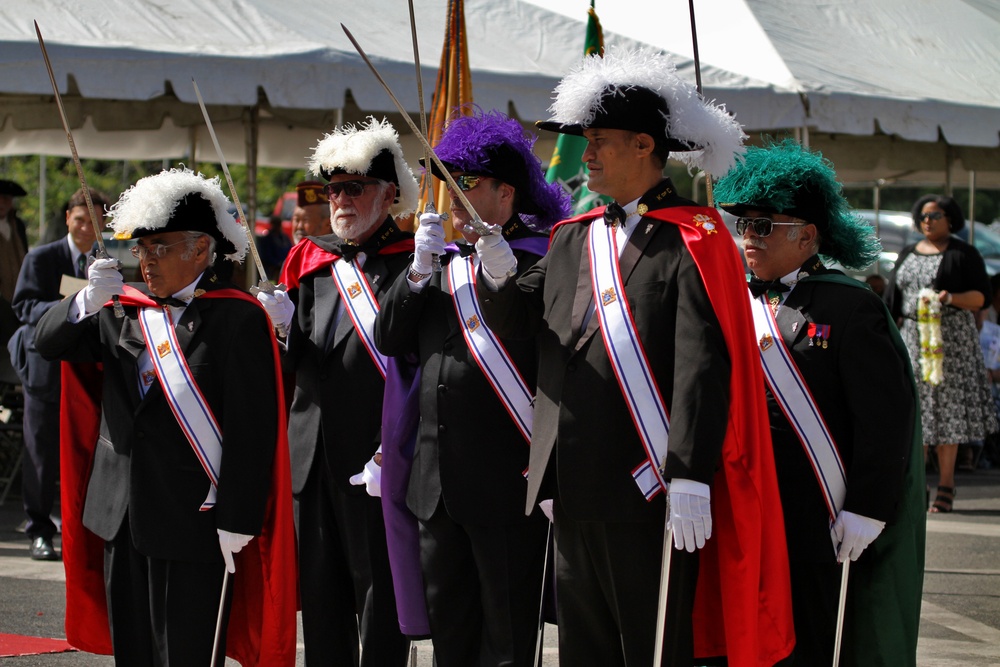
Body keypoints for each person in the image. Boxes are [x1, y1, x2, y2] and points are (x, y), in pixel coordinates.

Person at [474, 46, 794, 666]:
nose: (585, 154)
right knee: (585, 651)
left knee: (652, 649)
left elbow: (703, 365)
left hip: (648, 483)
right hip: (570, 484)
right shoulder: (575, 237)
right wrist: (496, 270)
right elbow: (520, 325)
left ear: (645, 145)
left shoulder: (694, 238)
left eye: (600, 141)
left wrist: (690, 472)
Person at [714, 140, 925, 666]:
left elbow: (884, 419)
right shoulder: (732, 297)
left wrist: (868, 508)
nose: (748, 238)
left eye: (764, 226)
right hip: (744, 506)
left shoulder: (852, 306)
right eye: (743, 225)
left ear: (807, 235)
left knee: (813, 640)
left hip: (818, 513)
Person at [373, 109, 568, 666]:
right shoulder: (441, 263)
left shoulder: (542, 255)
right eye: (448, 184)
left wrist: (495, 265)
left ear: (506, 192)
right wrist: (416, 270)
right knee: (451, 641)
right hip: (436, 487)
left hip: (508, 484)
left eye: (468, 184)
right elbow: (390, 337)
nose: (453, 197)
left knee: (506, 642)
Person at [259, 117, 416, 666]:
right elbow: (293, 363)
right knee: (321, 601)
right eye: (333, 190)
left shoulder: (416, 261)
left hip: (376, 456)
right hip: (310, 455)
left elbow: (417, 367)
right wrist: (280, 328)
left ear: (389, 193)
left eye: (355, 188)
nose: (341, 200)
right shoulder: (311, 259)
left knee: (380, 597)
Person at [9, 187, 109, 560]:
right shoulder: (41, 256)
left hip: (87, 370)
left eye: (95, 221)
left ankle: (79, 528)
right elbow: (25, 306)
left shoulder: (105, 260)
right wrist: (72, 304)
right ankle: (38, 529)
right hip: (45, 369)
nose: (87, 228)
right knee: (41, 451)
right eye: (81, 220)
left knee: (84, 452)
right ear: (68, 218)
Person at [885, 194, 998, 512]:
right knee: (916, 413)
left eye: (934, 216)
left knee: (947, 416)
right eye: (923, 216)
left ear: (951, 220)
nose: (927, 221)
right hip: (913, 339)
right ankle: (917, 485)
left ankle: (946, 484)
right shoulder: (908, 252)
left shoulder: (964, 253)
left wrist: (949, 298)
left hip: (949, 344)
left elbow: (981, 298)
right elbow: (893, 300)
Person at [0, 179, 29, 349]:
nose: (4, 203)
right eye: (1, 198)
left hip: (17, 291)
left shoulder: (17, 225)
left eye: (8, 198)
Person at [290, 180, 332, 245]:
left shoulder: (333, 254)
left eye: (306, 220)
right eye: (296, 220)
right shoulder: (293, 253)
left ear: (327, 224)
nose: (299, 226)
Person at [257, 214, 292, 279]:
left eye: (278, 224)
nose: (277, 227)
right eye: (275, 224)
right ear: (272, 225)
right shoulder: (267, 239)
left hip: (284, 265)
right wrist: (277, 263)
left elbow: (290, 250)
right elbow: (266, 255)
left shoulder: (284, 238)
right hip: (271, 268)